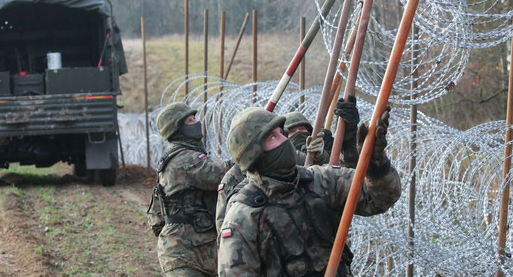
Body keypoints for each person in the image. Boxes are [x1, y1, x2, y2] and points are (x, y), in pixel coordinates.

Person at [217, 106, 400, 276]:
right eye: (273, 137)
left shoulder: (320, 180)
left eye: (282, 133)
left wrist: (375, 161)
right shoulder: (242, 219)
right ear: (253, 154)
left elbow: (380, 197)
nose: (285, 140)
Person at [214, 96, 361, 233]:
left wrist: (345, 145)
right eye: (292, 131)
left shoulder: (314, 170)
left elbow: (351, 183)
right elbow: (225, 227)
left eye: (303, 130)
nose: (298, 134)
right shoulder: (237, 180)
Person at [148, 102, 232, 276]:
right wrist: (249, 151)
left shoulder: (178, 157)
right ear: (176, 129)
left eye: (195, 118)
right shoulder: (187, 160)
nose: (196, 122)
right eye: (189, 120)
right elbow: (226, 173)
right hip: (185, 254)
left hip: (199, 252)